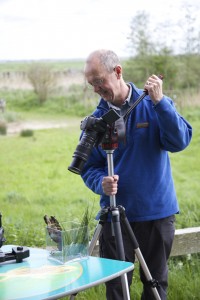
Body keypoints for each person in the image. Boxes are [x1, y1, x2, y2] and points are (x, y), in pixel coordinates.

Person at [80, 49, 192, 300]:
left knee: (156, 285)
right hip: (114, 217)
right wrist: (101, 182)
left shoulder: (155, 104)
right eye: (91, 84)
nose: (96, 88)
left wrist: (161, 103)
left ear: (117, 71)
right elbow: (87, 167)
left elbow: (179, 141)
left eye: (99, 81)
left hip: (157, 213)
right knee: (117, 288)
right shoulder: (97, 120)